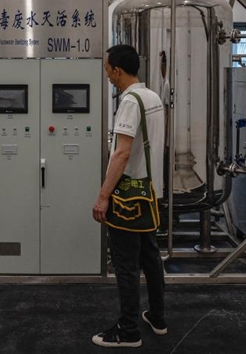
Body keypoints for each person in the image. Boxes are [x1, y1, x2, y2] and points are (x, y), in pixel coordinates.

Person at [92, 45, 167, 348]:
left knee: (125, 265)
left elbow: (122, 153)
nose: (107, 74)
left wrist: (102, 196)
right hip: (150, 195)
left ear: (118, 70)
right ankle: (158, 318)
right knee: (151, 258)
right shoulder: (153, 97)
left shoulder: (130, 102)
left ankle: (128, 331)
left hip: (128, 201)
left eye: (107, 68)